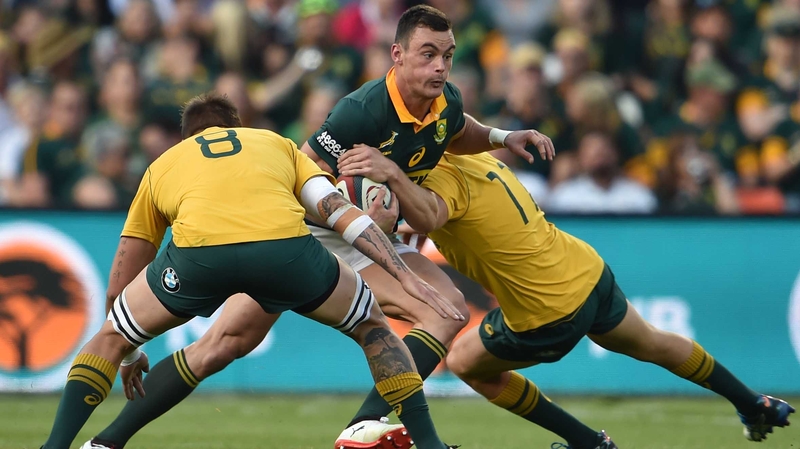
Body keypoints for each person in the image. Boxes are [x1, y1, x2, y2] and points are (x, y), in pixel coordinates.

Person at [81, 5, 554, 449]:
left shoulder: (445, 99)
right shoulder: (361, 110)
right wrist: (360, 202)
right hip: (307, 232)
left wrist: (502, 137)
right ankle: (106, 441)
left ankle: (365, 428)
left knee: (447, 309)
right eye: (428, 54)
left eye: (447, 56)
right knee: (222, 345)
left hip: (364, 235)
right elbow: (301, 175)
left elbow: (453, 129)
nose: (440, 67)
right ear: (398, 55)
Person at [41, 92, 465, 449]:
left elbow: (124, 273)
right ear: (236, 127)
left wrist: (130, 348)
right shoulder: (273, 143)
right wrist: (399, 270)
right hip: (286, 253)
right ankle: (429, 445)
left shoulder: (166, 164)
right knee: (373, 328)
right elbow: (334, 208)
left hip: (200, 257)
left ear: (189, 137)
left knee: (114, 335)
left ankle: (60, 446)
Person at [394, 152, 795, 448]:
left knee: (466, 361)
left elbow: (429, 215)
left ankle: (587, 442)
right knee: (653, 342)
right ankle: (752, 401)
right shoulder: (474, 158)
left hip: (547, 310)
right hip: (586, 271)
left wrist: (387, 186)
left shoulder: (437, 184)